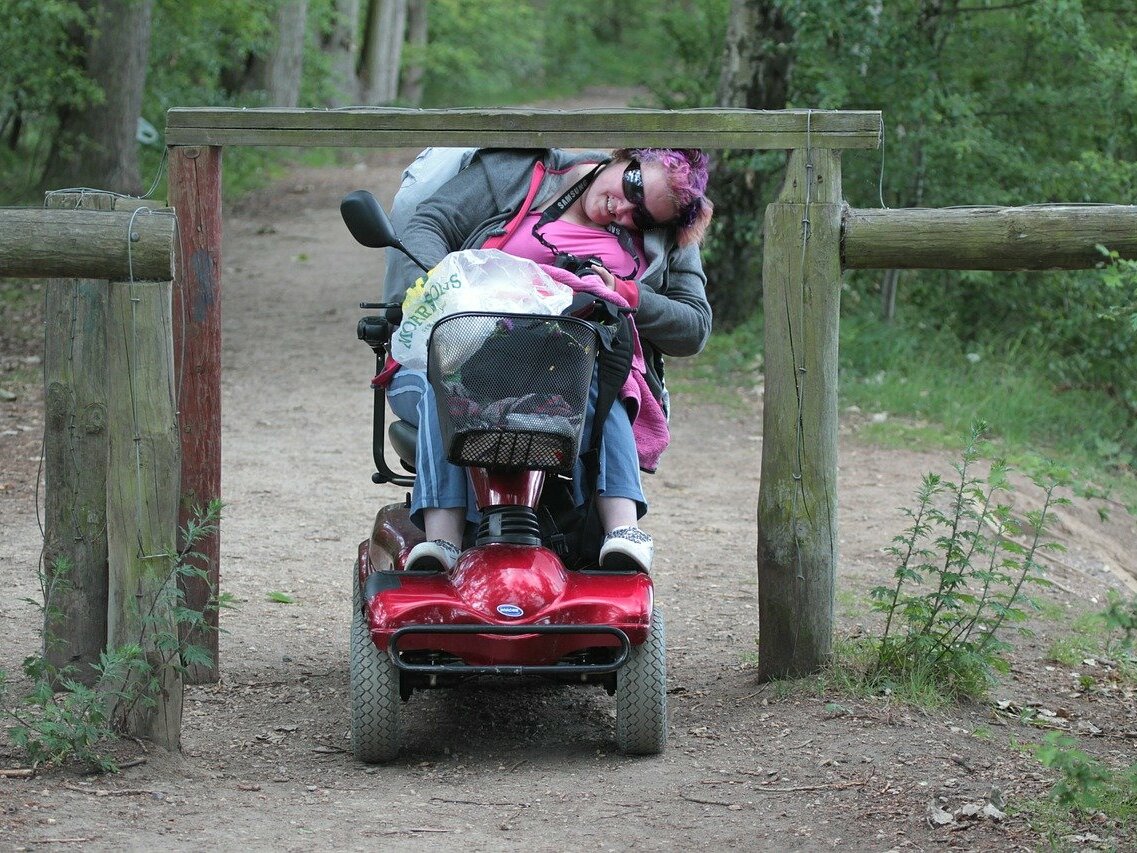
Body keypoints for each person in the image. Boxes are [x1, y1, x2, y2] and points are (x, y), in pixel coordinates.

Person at [382, 147, 714, 574]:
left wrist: (625, 293)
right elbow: (429, 223)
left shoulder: (667, 236)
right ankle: (441, 540)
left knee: (606, 381)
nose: (624, 210)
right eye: (633, 187)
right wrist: (444, 292)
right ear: (624, 157)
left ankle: (624, 532)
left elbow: (693, 325)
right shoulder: (516, 173)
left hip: (572, 366)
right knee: (443, 377)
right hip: (463, 346)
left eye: (643, 217)